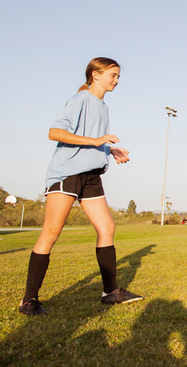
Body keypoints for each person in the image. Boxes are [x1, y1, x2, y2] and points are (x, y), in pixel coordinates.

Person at [19, 58, 143, 316]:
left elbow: (94, 142)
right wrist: (98, 140)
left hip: (90, 175)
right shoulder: (80, 100)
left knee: (107, 227)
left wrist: (110, 149)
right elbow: (55, 132)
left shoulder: (102, 106)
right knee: (52, 232)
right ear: (95, 75)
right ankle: (29, 301)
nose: (117, 80)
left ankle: (110, 292)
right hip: (67, 173)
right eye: (113, 75)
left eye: (118, 76)